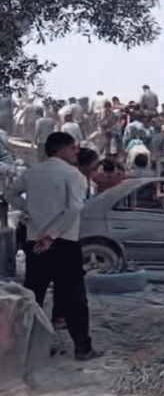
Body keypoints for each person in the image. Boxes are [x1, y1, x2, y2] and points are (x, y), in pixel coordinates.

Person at [4, 132, 103, 361]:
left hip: (35, 242)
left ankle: (29, 347)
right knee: (75, 298)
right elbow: (73, 210)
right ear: (62, 149)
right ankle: (82, 348)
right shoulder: (73, 175)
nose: (76, 152)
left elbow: (9, 193)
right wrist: (52, 235)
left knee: (33, 296)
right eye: (73, 148)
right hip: (64, 243)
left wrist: (28, 212)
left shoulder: (32, 172)